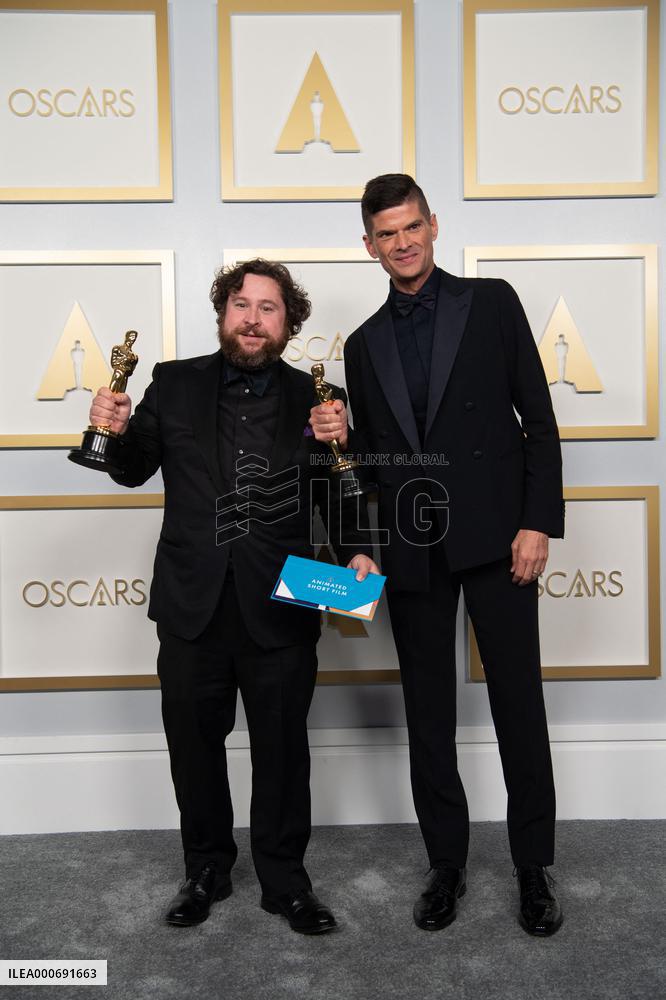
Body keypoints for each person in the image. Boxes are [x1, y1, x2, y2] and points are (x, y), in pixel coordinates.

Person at [89, 258, 377, 935]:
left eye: (268, 307)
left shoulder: (318, 398)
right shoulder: (172, 383)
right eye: (241, 304)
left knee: (282, 750)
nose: (252, 317)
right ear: (223, 313)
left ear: (289, 322)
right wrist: (114, 428)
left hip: (283, 598)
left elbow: (337, 486)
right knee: (193, 746)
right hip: (192, 602)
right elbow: (130, 472)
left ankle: (285, 882)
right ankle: (205, 870)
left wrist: (361, 548)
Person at [310, 174, 564, 936]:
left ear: (433, 224)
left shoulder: (492, 302)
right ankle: (445, 864)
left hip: (498, 537)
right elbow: (379, 463)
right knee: (429, 716)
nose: (402, 242)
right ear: (369, 245)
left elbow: (539, 420)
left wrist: (537, 522)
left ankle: (532, 867)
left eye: (412, 226)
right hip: (414, 549)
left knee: (519, 705)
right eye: (386, 233)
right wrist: (346, 454)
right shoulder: (361, 345)